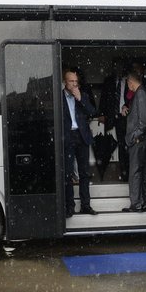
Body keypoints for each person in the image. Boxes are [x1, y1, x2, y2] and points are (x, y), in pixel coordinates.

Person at [61, 68, 97, 218]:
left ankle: (86, 206)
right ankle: (70, 207)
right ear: (64, 83)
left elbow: (92, 112)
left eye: (76, 81)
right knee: (67, 174)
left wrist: (80, 98)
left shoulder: (84, 96)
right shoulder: (58, 98)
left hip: (82, 137)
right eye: (71, 81)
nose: (75, 84)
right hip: (67, 137)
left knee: (84, 173)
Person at [122, 71, 146, 212]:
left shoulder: (140, 94)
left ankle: (136, 204)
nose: (127, 87)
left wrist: (133, 137)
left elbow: (143, 121)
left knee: (135, 172)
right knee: (145, 171)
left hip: (140, 141)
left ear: (130, 82)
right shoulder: (143, 92)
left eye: (127, 84)